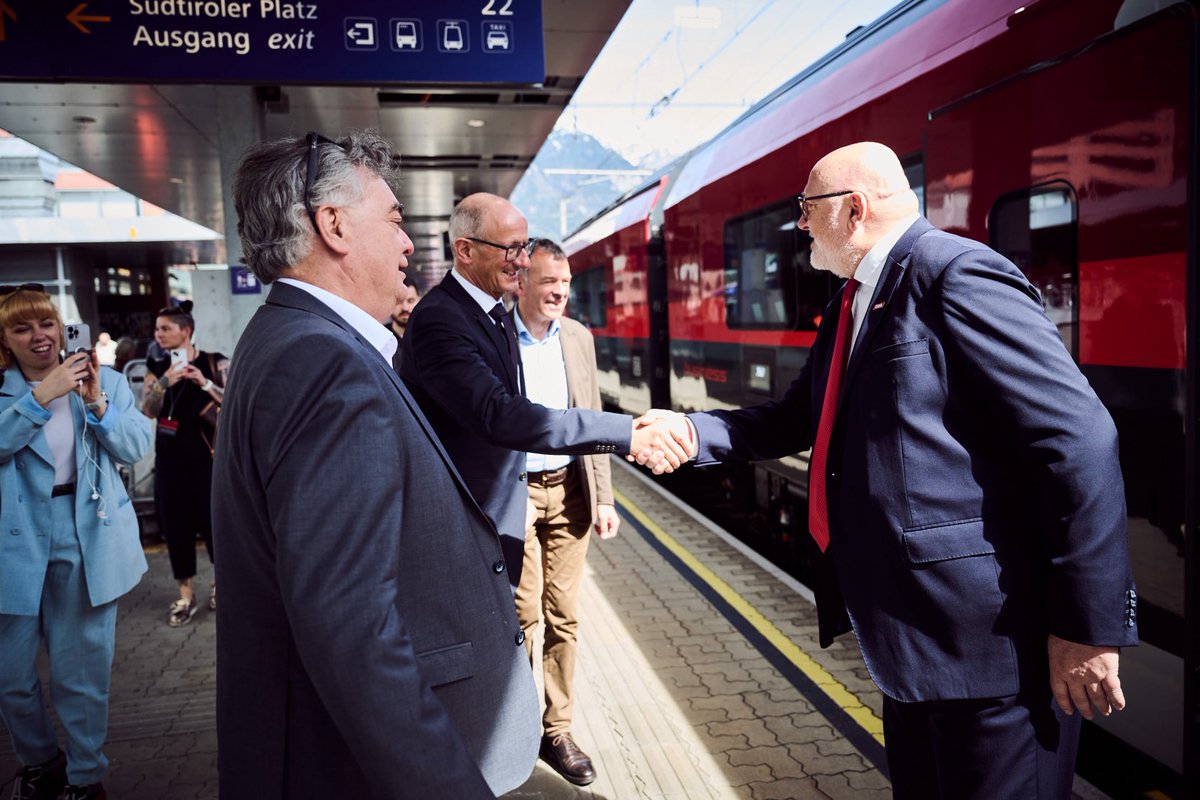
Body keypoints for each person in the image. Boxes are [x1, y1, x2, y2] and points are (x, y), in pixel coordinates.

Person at [649, 142, 1138, 799]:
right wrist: (691, 429)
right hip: (911, 647)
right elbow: (800, 418)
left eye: (806, 209)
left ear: (854, 209)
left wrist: (1085, 627)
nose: (799, 225)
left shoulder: (954, 273)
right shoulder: (856, 299)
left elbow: (1077, 440)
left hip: (988, 648)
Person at [213, 130, 540, 798]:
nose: (408, 244)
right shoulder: (323, 363)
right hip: (341, 765)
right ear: (331, 224)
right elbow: (354, 628)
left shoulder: (284, 336)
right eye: (392, 219)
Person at [400, 193, 689, 589]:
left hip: (502, 510)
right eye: (512, 248)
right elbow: (501, 414)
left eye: (524, 246)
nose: (521, 260)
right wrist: (628, 433)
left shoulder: (492, 313)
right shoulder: (440, 320)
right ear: (464, 250)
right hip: (468, 523)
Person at [0, 285, 152, 800]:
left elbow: (135, 446)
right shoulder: (4, 390)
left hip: (87, 529)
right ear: (4, 340)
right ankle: (41, 761)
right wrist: (41, 396)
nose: (38, 336)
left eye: (45, 324)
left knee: (79, 669)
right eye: (22, 328)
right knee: (9, 674)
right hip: (13, 537)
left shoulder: (103, 379)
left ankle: (86, 776)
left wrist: (96, 402)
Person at [511, 239, 619, 786]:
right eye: (550, 282)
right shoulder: (497, 335)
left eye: (566, 283)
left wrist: (604, 497)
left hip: (571, 490)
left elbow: (591, 416)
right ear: (523, 282)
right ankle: (517, 725)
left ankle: (558, 731)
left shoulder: (577, 337)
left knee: (565, 616)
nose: (559, 292)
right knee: (522, 616)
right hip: (517, 491)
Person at [140, 301, 227, 626]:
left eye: (165, 328)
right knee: (176, 526)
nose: (158, 334)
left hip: (207, 458)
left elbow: (234, 398)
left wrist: (202, 382)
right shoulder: (156, 366)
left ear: (185, 330)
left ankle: (221, 585)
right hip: (170, 459)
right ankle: (185, 594)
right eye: (157, 329)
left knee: (213, 523)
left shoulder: (214, 362)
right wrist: (165, 382)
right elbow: (148, 410)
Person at [387, 281, 420, 370]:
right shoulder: (380, 339)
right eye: (399, 302)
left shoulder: (433, 335)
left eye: (410, 301)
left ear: (420, 301)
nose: (405, 308)